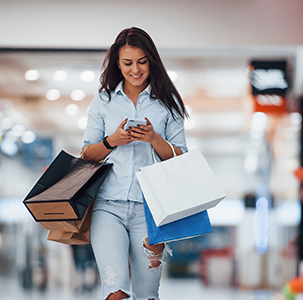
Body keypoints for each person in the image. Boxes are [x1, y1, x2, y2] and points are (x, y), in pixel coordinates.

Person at [81, 27, 188, 300]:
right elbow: (86, 155)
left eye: (142, 61)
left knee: (148, 294)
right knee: (115, 291)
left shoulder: (168, 103)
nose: (135, 69)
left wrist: (154, 139)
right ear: (117, 63)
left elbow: (182, 158)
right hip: (107, 208)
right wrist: (111, 141)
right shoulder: (103, 101)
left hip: (151, 212)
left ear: (152, 61)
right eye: (128, 62)